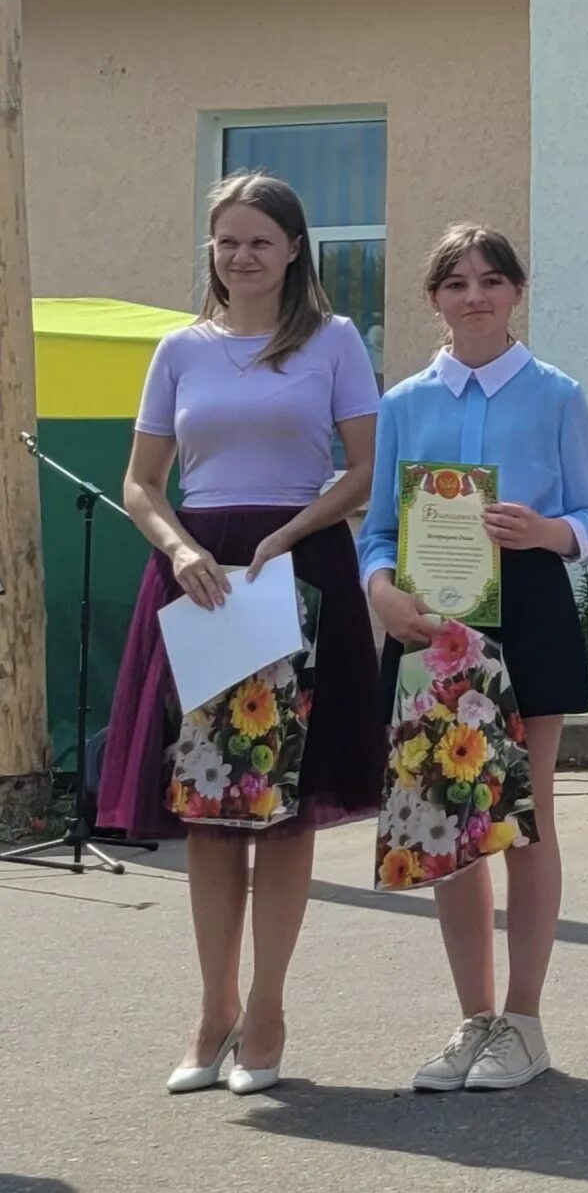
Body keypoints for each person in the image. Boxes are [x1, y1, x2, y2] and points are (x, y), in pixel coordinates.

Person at [96, 173, 382, 1096]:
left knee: (283, 808)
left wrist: (292, 536)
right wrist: (179, 550)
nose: (242, 256)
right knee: (210, 812)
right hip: (204, 579)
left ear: (295, 249)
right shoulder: (179, 349)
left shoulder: (335, 343)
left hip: (296, 568)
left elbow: (367, 470)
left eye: (260, 240)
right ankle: (213, 1011)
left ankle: (267, 1010)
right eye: (226, 241)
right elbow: (141, 483)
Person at [361, 225, 588, 1093]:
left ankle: (527, 1022)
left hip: (530, 613)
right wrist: (381, 590)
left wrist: (551, 533)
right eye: (457, 282)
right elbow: (377, 533)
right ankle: (475, 1020)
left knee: (523, 816)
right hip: (431, 629)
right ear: (434, 298)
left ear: (516, 293)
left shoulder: (556, 395)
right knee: (450, 826)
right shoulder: (403, 403)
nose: (475, 296)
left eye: (492, 280)